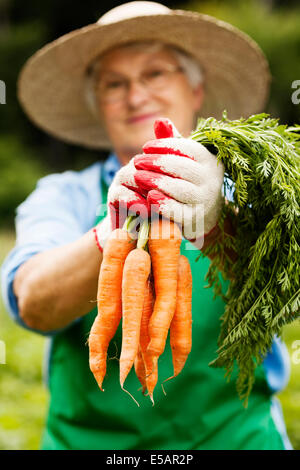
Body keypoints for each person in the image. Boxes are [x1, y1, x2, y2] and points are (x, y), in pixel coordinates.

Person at [1, 1, 292, 450]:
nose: (135, 95)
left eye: (154, 74)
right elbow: (33, 301)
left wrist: (218, 223)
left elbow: (287, 290)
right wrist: (112, 231)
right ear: (98, 105)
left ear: (195, 91)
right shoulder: (64, 195)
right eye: (114, 84)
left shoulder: (255, 186)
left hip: (237, 440)